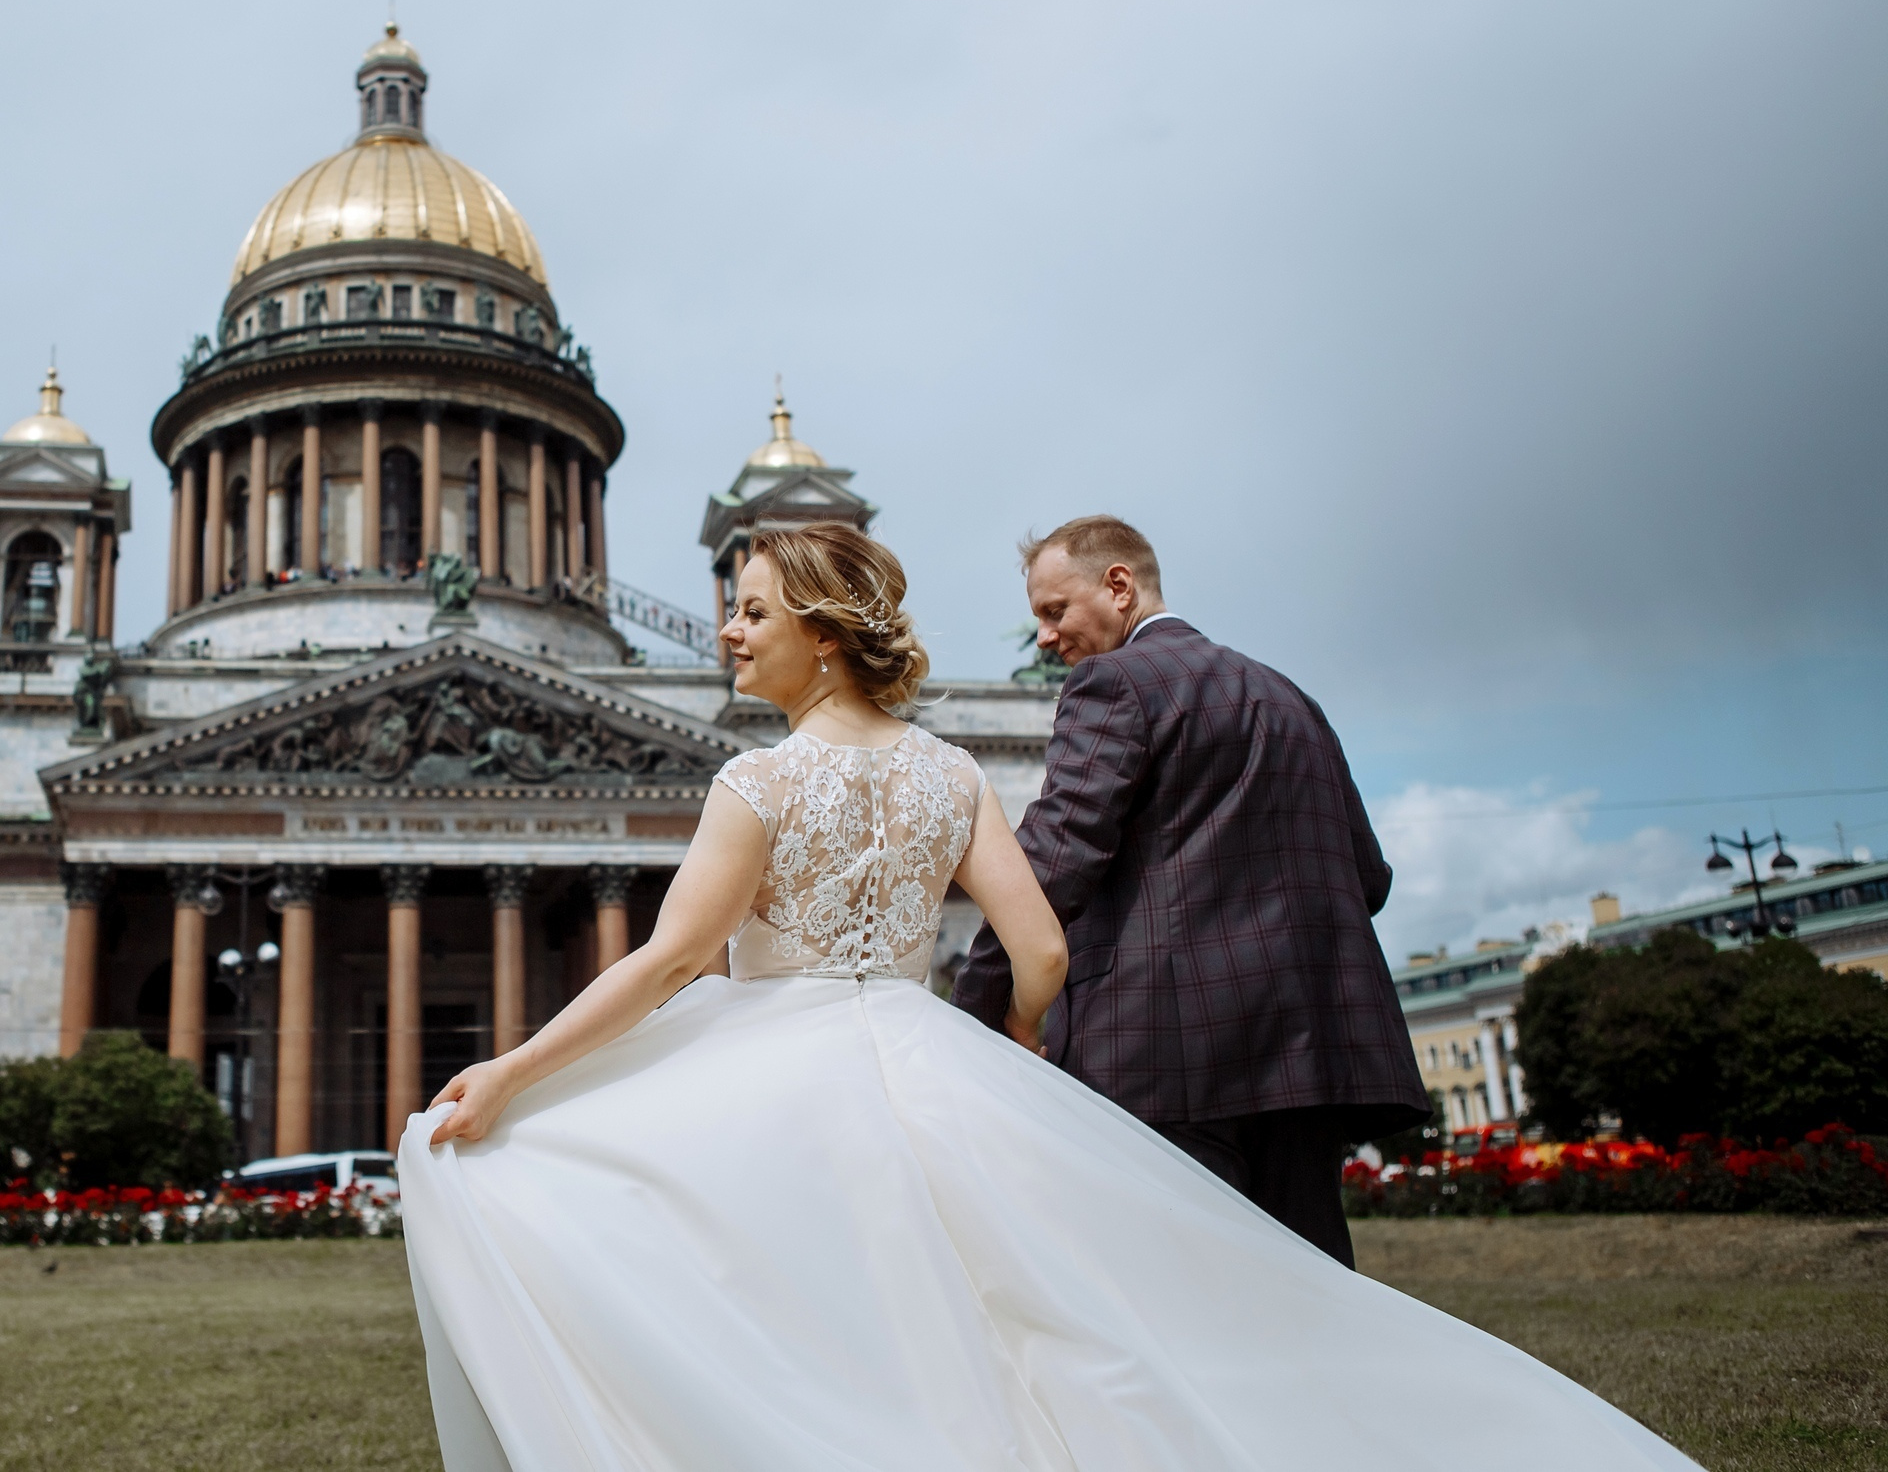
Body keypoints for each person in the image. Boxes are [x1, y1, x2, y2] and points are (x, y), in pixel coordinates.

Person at [399, 521, 1693, 1472]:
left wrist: (512, 1070)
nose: (731, 631)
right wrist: (998, 1055)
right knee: (1056, 1308)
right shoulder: (954, 768)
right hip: (925, 1047)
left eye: (749, 610)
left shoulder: (758, 783)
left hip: (771, 1059)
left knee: (791, 1298)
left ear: (822, 630)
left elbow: (675, 958)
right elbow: (1044, 947)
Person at [951, 515, 1427, 1266]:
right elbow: (1369, 876)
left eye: (1053, 610)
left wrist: (970, 1013)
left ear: (1119, 585)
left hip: (1167, 1054)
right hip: (1310, 1058)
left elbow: (1052, 861)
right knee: (1312, 1302)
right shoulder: (1290, 696)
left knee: (1186, 1305)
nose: (1045, 637)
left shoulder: (1112, 683)